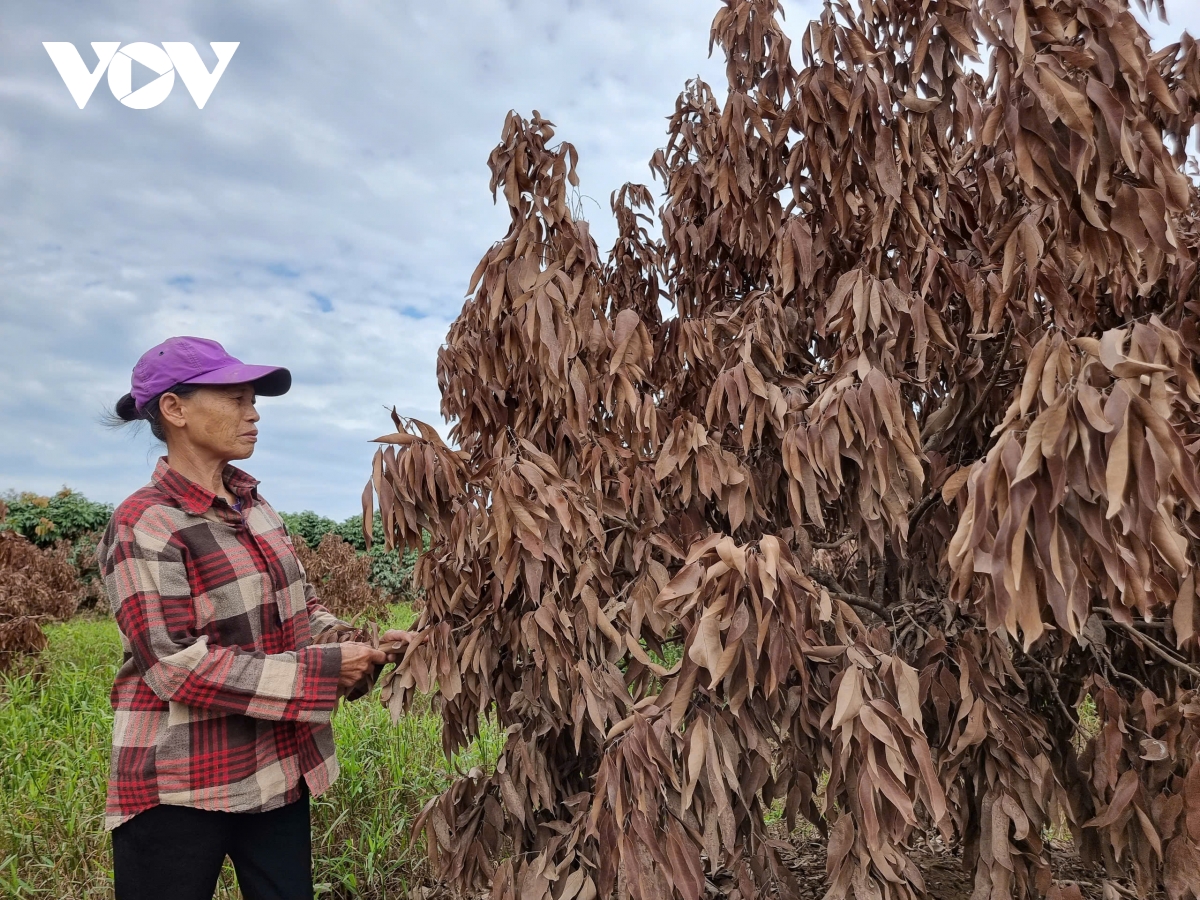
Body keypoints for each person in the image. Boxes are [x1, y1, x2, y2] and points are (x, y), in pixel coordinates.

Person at [98, 336, 413, 900]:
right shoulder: (145, 523)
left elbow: (301, 612)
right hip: (181, 786)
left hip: (276, 772)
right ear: (175, 409)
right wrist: (323, 672)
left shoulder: (258, 509)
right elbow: (175, 665)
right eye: (238, 398)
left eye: (252, 399)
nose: (254, 412)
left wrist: (361, 645)